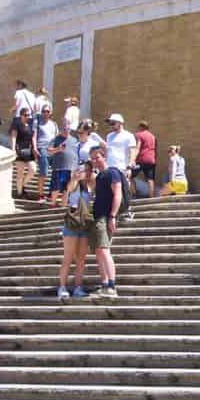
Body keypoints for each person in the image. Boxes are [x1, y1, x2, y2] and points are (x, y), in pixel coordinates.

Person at [88, 144, 122, 299]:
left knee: (103, 249)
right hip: (97, 217)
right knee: (98, 252)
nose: (95, 161)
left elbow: (118, 195)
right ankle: (104, 284)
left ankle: (112, 286)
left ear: (104, 157)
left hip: (105, 217)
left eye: (97, 157)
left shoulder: (112, 173)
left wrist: (113, 216)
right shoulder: (100, 176)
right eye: (93, 158)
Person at [56, 161, 94, 300]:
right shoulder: (75, 184)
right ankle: (62, 287)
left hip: (84, 223)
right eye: (85, 169)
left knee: (81, 258)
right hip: (72, 222)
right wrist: (75, 178)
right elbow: (67, 196)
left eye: (89, 170)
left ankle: (78, 287)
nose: (88, 172)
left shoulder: (88, 187)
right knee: (68, 257)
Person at [33, 104, 59, 203]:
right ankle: (40, 194)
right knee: (43, 172)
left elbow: (56, 137)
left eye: (47, 111)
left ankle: (50, 193)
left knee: (56, 172)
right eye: (44, 111)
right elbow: (34, 136)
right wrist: (35, 148)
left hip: (53, 149)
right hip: (42, 148)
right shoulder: (37, 122)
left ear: (50, 112)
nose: (45, 113)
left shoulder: (54, 124)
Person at [9, 107, 37, 198]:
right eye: (25, 115)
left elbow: (33, 138)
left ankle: (22, 185)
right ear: (21, 115)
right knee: (20, 173)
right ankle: (20, 193)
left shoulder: (29, 125)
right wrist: (13, 150)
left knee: (33, 169)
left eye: (29, 115)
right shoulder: (16, 124)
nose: (27, 117)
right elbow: (13, 137)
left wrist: (34, 149)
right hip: (19, 150)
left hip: (28, 151)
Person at [47, 128, 79, 208]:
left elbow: (76, 153)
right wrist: (58, 149)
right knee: (56, 188)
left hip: (70, 168)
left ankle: (63, 207)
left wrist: (75, 167)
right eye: (64, 129)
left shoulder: (74, 140)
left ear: (70, 130)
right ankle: (53, 205)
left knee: (66, 189)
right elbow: (49, 151)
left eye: (67, 129)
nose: (65, 131)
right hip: (58, 167)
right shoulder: (56, 139)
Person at [105, 113, 136, 184]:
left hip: (122, 168)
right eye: (110, 124)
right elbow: (108, 151)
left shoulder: (129, 136)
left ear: (120, 123)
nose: (111, 126)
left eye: (113, 123)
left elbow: (132, 152)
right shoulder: (109, 136)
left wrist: (129, 168)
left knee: (123, 191)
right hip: (109, 168)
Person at [132, 121, 157, 197]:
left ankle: (134, 193)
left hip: (141, 160)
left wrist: (133, 159)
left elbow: (137, 147)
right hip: (151, 160)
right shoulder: (153, 136)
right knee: (150, 179)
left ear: (141, 127)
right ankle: (151, 197)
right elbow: (155, 149)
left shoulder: (139, 135)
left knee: (130, 176)